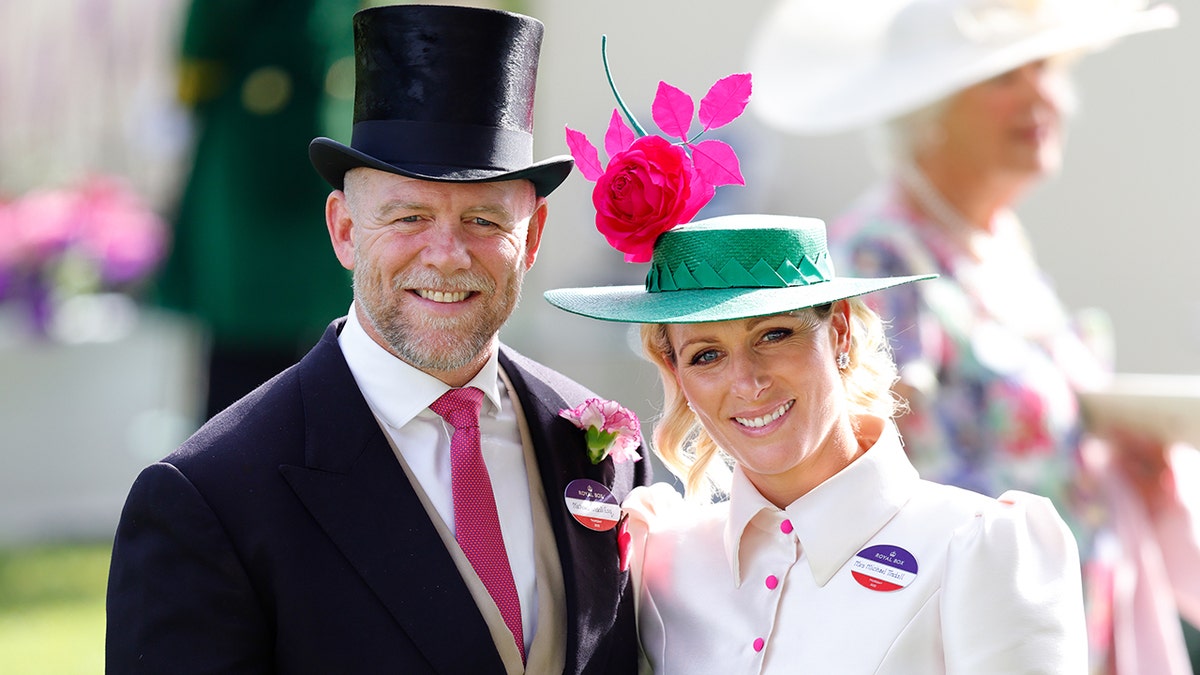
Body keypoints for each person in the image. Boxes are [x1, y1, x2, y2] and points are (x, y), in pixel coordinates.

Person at [105, 6, 650, 673]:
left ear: (531, 239)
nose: (447, 254)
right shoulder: (207, 501)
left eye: (483, 218)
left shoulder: (603, 448)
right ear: (342, 230)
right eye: (408, 216)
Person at [748, 1, 1200, 673]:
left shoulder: (999, 248)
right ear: (924, 110)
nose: (1044, 94)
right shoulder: (881, 260)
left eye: (1046, 68)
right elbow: (854, 476)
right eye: (1004, 76)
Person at [544, 213, 1088, 673]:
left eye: (774, 335)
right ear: (676, 373)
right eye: (706, 355)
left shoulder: (982, 546)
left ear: (842, 331)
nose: (748, 383)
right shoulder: (659, 559)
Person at [158, 0, 362, 419]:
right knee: (261, 343)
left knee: (300, 335)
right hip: (293, 143)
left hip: (276, 142)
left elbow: (201, 50)